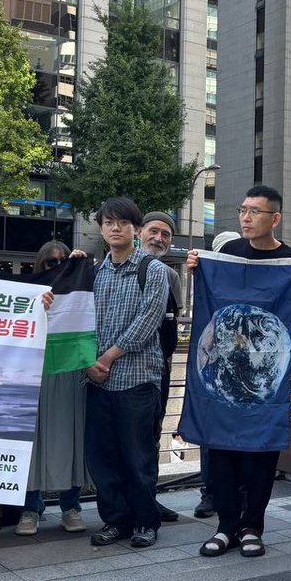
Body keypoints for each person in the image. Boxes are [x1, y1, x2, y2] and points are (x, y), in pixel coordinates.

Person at [188, 186, 291, 558]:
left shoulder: (290, 260)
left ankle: (252, 526)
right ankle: (226, 526)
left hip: (263, 378)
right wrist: (198, 270)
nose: (245, 217)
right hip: (225, 371)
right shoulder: (227, 254)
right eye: (243, 210)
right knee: (222, 451)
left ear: (274, 219)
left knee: (261, 454)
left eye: (255, 211)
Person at [85, 198, 169, 549]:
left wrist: (108, 356)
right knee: (103, 458)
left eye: (122, 222)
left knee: (138, 458)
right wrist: (90, 363)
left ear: (136, 229)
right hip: (97, 380)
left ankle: (146, 522)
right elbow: (79, 320)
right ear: (102, 229)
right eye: (108, 222)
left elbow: (148, 322)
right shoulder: (94, 272)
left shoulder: (152, 270)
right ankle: (115, 521)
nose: (115, 228)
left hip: (136, 379)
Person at [16, 242, 90, 536]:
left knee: (70, 438)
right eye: (50, 263)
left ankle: (71, 506)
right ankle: (30, 508)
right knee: (31, 443)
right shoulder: (28, 294)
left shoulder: (79, 292)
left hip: (70, 371)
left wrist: (80, 266)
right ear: (39, 265)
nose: (57, 267)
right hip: (34, 373)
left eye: (62, 262)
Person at [193, 230, 242, 519]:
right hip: (214, 371)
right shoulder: (210, 285)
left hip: (240, 373)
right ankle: (209, 492)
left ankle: (241, 493)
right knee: (210, 438)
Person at [139, 212, 182, 523]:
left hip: (160, 369)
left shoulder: (171, 276)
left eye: (166, 234)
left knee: (153, 434)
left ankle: (149, 498)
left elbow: (172, 322)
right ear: (140, 232)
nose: (159, 238)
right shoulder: (113, 268)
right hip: (125, 367)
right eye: (154, 231)